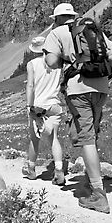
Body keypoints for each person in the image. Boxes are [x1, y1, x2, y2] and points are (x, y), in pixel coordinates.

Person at [43, 3, 112, 214]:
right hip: (101, 86)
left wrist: (67, 57)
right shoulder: (91, 29)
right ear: (73, 16)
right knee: (91, 134)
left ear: (57, 18)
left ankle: (98, 194)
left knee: (86, 139)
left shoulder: (57, 32)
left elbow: (50, 62)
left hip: (78, 88)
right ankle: (90, 179)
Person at [22, 36, 66, 185]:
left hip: (38, 106)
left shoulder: (32, 64)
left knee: (35, 139)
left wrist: (29, 105)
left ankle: (31, 169)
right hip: (54, 105)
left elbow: (30, 86)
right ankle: (59, 170)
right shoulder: (58, 63)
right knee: (54, 139)